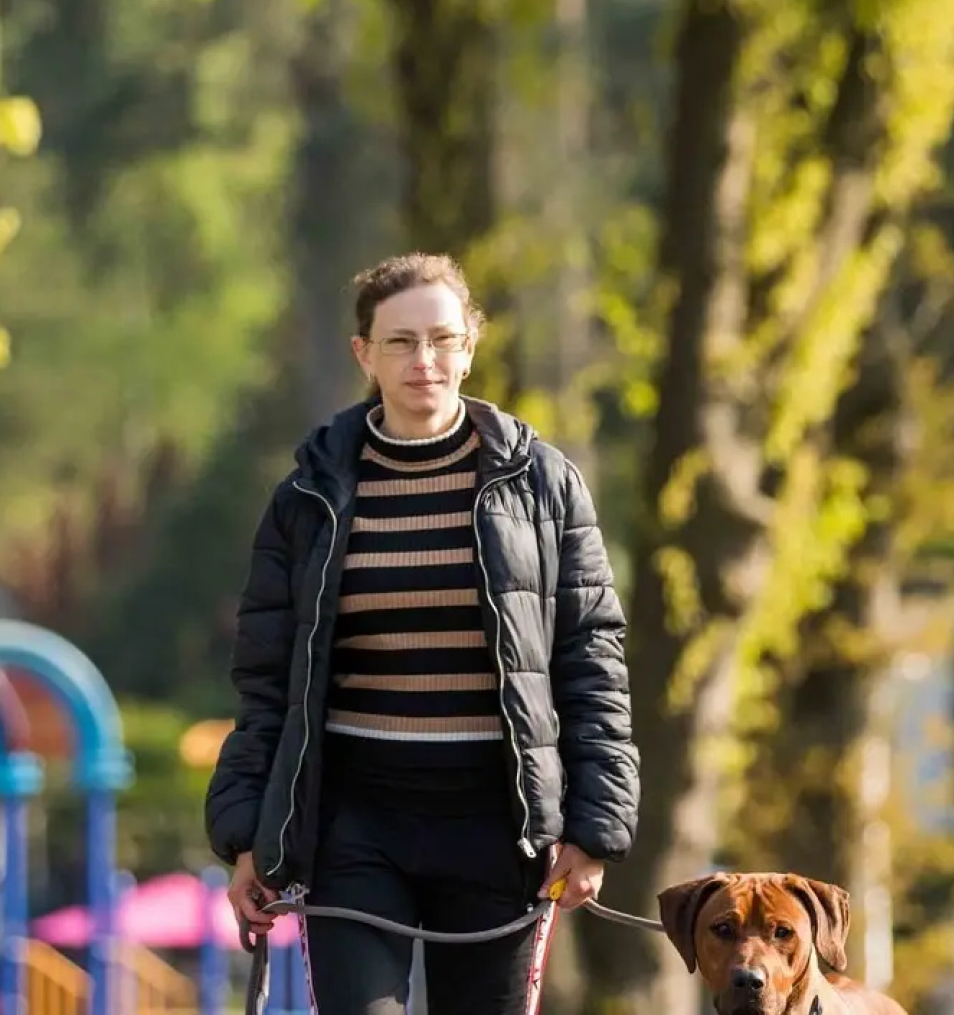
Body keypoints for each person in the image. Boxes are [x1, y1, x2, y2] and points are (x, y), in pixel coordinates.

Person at [205, 252, 639, 1014]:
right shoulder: (308, 495)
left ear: (471, 345)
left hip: (501, 830)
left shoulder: (544, 485)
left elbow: (591, 660)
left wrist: (596, 827)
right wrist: (246, 834)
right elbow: (267, 683)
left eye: (442, 339)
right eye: (400, 342)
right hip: (355, 827)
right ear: (363, 354)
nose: (424, 361)